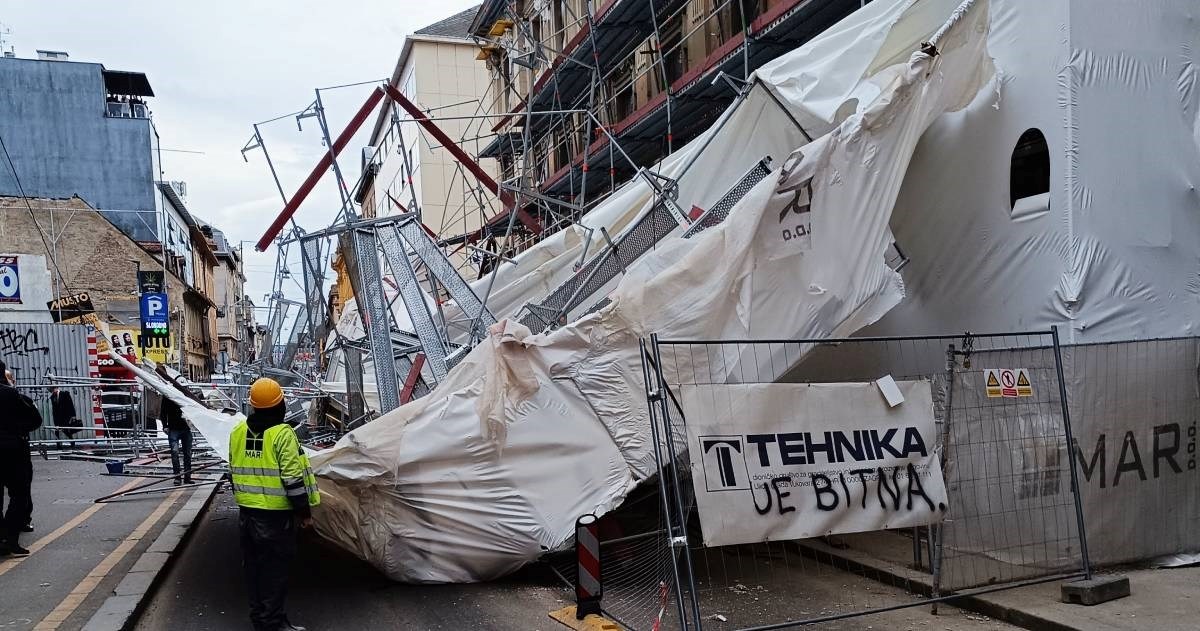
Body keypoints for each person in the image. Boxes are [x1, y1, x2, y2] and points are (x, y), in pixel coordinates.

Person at [230, 378, 318, 631]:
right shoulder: (282, 434)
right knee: (275, 572)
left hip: (247, 515)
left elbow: (232, 470)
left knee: (254, 570)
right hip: (275, 518)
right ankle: (273, 624)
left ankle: (261, 619)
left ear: (254, 406)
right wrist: (304, 513)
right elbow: (292, 479)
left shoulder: (237, 432)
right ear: (280, 404)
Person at [0, 360, 42, 556]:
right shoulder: (10, 394)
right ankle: (10, 539)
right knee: (19, 495)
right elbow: (35, 418)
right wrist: (19, 431)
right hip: (12, 451)